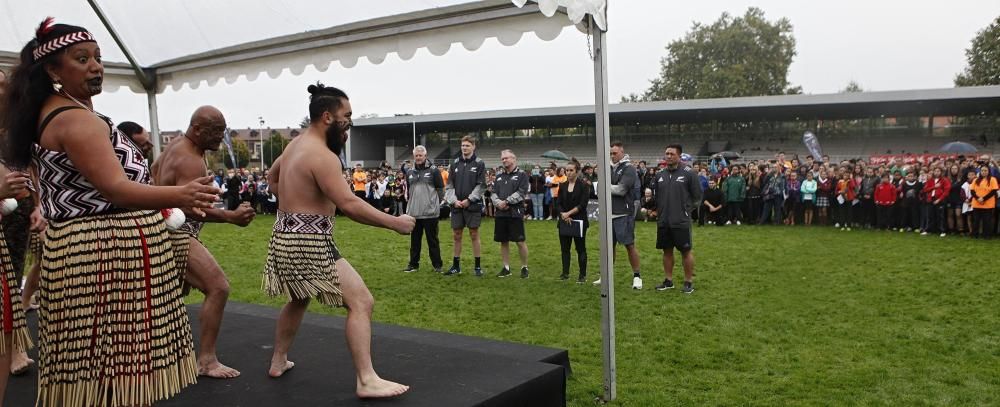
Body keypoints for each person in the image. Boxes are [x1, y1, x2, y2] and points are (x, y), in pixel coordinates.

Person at [0, 19, 219, 405]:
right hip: (103, 252)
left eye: (98, 58)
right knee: (111, 369)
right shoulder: (74, 120)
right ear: (53, 69)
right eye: (81, 59)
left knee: (101, 369)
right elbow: (115, 189)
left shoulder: (60, 111)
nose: (95, 66)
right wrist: (181, 194)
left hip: (92, 249)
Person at [262, 83, 414, 398]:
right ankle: (366, 379)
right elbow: (350, 205)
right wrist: (395, 223)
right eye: (347, 116)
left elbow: (272, 178)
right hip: (309, 242)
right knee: (361, 301)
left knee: (298, 297)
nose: (349, 122)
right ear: (328, 117)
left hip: (282, 237)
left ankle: (278, 360)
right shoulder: (322, 156)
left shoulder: (295, 145)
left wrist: (293, 205)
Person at [150, 106, 257, 379]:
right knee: (218, 287)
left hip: (164, 229)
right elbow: (192, 207)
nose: (220, 137)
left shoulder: (175, 147)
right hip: (178, 233)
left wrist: (162, 204)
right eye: (215, 131)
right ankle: (206, 361)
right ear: (196, 129)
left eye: (222, 130)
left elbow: (153, 172)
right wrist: (231, 216)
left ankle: (155, 356)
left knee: (166, 298)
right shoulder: (191, 160)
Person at [651, 145, 702, 294]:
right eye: (666, 153)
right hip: (664, 221)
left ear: (679, 156)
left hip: (681, 221)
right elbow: (657, 197)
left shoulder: (689, 173)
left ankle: (688, 281)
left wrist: (685, 211)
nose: (668, 156)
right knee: (666, 251)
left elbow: (697, 197)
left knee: (685, 251)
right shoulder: (659, 174)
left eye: (672, 154)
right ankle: (668, 280)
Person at [593, 142, 643, 290]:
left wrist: (601, 186)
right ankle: (606, 276)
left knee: (629, 245)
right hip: (608, 213)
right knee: (608, 247)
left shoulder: (629, 169)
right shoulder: (607, 167)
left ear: (622, 152)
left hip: (623, 213)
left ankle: (637, 276)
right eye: (611, 153)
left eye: (615, 153)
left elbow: (621, 190)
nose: (612, 156)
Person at [444, 135, 486, 277]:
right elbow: (449, 185)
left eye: (467, 145)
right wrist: (453, 200)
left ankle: (478, 267)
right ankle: (456, 266)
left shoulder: (479, 163)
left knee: (474, 234)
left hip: (472, 205)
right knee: (456, 235)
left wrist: (469, 199)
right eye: (463, 145)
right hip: (457, 205)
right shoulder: (455, 163)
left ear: (473, 147)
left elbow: (481, 186)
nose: (464, 148)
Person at [403, 145, 445, 273]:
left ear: (425, 156)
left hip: (430, 213)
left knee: (432, 241)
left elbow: (440, 190)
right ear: (414, 157)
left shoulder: (434, 171)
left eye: (421, 155)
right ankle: (413, 264)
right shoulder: (409, 172)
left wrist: (433, 203)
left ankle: (437, 265)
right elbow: (410, 191)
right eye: (416, 156)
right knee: (414, 241)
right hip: (414, 213)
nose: (418, 158)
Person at [491, 150, 530, 278]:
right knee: (503, 241)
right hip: (501, 213)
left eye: (506, 158)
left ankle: (524, 267)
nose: (504, 160)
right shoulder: (499, 176)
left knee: (520, 241)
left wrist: (507, 201)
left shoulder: (522, 175)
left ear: (514, 159)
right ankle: (506, 267)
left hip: (515, 212)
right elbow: (493, 193)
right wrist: (498, 203)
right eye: (502, 159)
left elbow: (522, 192)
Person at [557, 158, 591, 282]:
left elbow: (582, 205)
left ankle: (582, 275)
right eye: (567, 170)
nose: (568, 172)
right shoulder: (562, 185)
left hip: (579, 221)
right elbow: (558, 203)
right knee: (565, 249)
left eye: (571, 170)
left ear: (577, 171)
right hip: (564, 221)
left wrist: (568, 214)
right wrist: (563, 215)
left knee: (580, 248)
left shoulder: (583, 186)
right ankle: (565, 273)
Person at [969, 164, 997, 239]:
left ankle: (987, 235)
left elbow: (993, 191)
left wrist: (983, 199)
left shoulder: (992, 179)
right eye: (982, 170)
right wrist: (978, 198)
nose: (984, 172)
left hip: (988, 204)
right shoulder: (975, 180)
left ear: (989, 171)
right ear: (980, 171)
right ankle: (975, 235)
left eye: (985, 170)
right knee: (976, 221)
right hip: (976, 203)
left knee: (987, 221)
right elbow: (972, 191)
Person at [920, 167, 950, 237]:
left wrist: (939, 199)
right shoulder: (930, 180)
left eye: (938, 171)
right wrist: (934, 187)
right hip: (930, 200)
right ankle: (928, 230)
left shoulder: (944, 180)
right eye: (935, 171)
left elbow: (946, 192)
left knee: (940, 216)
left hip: (940, 200)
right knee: (930, 216)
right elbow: (925, 190)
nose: (937, 172)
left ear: (941, 172)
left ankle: (942, 230)